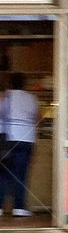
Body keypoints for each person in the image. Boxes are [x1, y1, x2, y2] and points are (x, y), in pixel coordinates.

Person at [0, 74, 38, 217]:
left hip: (7, 139)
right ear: (24, 83)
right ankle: (19, 207)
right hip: (27, 138)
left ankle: (0, 206)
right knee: (21, 174)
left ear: (10, 83)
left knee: (3, 175)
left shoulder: (5, 96)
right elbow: (37, 117)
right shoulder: (31, 98)